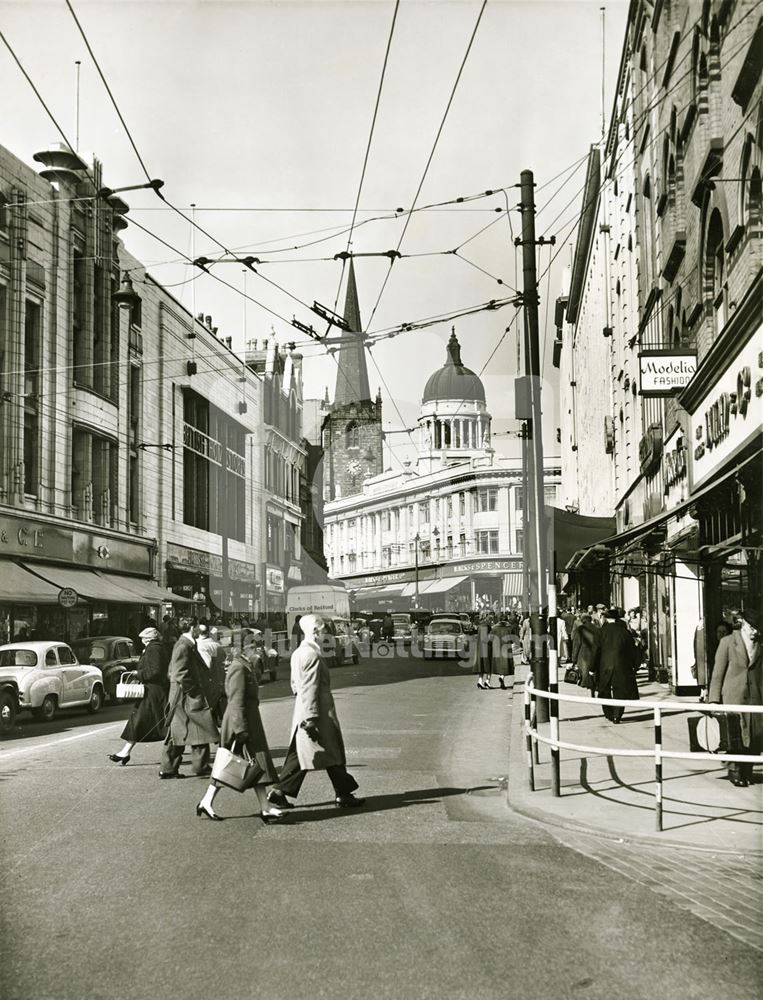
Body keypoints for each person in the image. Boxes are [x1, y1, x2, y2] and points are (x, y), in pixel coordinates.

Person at [266, 614, 364, 810]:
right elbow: (310, 687)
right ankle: (280, 792)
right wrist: (311, 716)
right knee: (327, 752)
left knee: (306, 754)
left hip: (305, 709)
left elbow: (295, 684)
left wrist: (304, 708)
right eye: (323, 630)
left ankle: (342, 792)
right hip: (318, 714)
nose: (326, 633)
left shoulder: (298, 653)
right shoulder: (313, 655)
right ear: (315, 632)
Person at [196, 636, 286, 823]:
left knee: (254, 764)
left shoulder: (245, 665)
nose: (260, 651)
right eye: (257, 647)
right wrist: (241, 729)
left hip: (248, 721)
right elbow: (236, 701)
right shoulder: (239, 668)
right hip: (242, 723)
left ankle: (264, 807)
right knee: (233, 764)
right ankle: (207, 801)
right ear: (246, 649)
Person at [160, 617, 220, 779]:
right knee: (196, 727)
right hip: (185, 696)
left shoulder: (185, 644)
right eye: (197, 627)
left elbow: (172, 671)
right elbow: (178, 673)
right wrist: (193, 690)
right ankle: (188, 766)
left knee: (192, 729)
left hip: (181, 695)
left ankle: (176, 767)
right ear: (192, 628)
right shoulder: (183, 646)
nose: (199, 630)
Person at [709, 609, 762, 788]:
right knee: (734, 735)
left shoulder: (760, 644)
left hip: (755, 697)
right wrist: (714, 700)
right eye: (752, 628)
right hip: (733, 696)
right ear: (743, 624)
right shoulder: (728, 642)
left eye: (758, 629)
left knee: (754, 736)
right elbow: (717, 673)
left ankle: (746, 771)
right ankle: (734, 771)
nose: (755, 632)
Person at [108, 626, 170, 765]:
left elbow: (155, 671)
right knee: (142, 721)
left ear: (147, 638)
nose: (141, 640)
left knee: (143, 721)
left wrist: (139, 674)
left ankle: (126, 752)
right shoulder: (156, 648)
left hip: (153, 691)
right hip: (152, 690)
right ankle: (125, 751)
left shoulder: (153, 649)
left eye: (142, 638)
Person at [595, 607, 640, 722]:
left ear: (606, 618)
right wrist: (635, 664)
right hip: (622, 665)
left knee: (604, 690)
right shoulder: (624, 632)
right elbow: (632, 650)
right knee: (620, 691)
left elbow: (596, 650)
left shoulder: (601, 632)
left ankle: (608, 713)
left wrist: (592, 667)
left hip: (604, 666)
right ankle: (617, 715)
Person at [196, 623, 227, 720]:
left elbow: (207, 664)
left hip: (209, 680)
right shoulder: (217, 644)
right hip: (220, 678)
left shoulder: (201, 646)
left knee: (210, 705)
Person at [571, 613, 601, 693]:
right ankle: (593, 686)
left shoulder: (580, 629)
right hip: (595, 652)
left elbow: (576, 644)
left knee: (584, 672)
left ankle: (588, 687)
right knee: (593, 670)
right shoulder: (597, 628)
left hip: (583, 653)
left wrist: (573, 658)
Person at [489, 616, 514, 690]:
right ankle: (502, 677)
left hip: (497, 648)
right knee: (505, 665)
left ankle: (501, 677)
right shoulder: (509, 628)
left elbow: (490, 639)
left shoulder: (494, 628)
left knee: (499, 665)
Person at [476, 615, 493, 689]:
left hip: (480, 648)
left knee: (481, 665)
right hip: (487, 648)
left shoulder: (479, 626)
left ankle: (480, 681)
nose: (491, 622)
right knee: (489, 665)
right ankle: (487, 681)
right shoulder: (487, 627)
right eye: (491, 620)